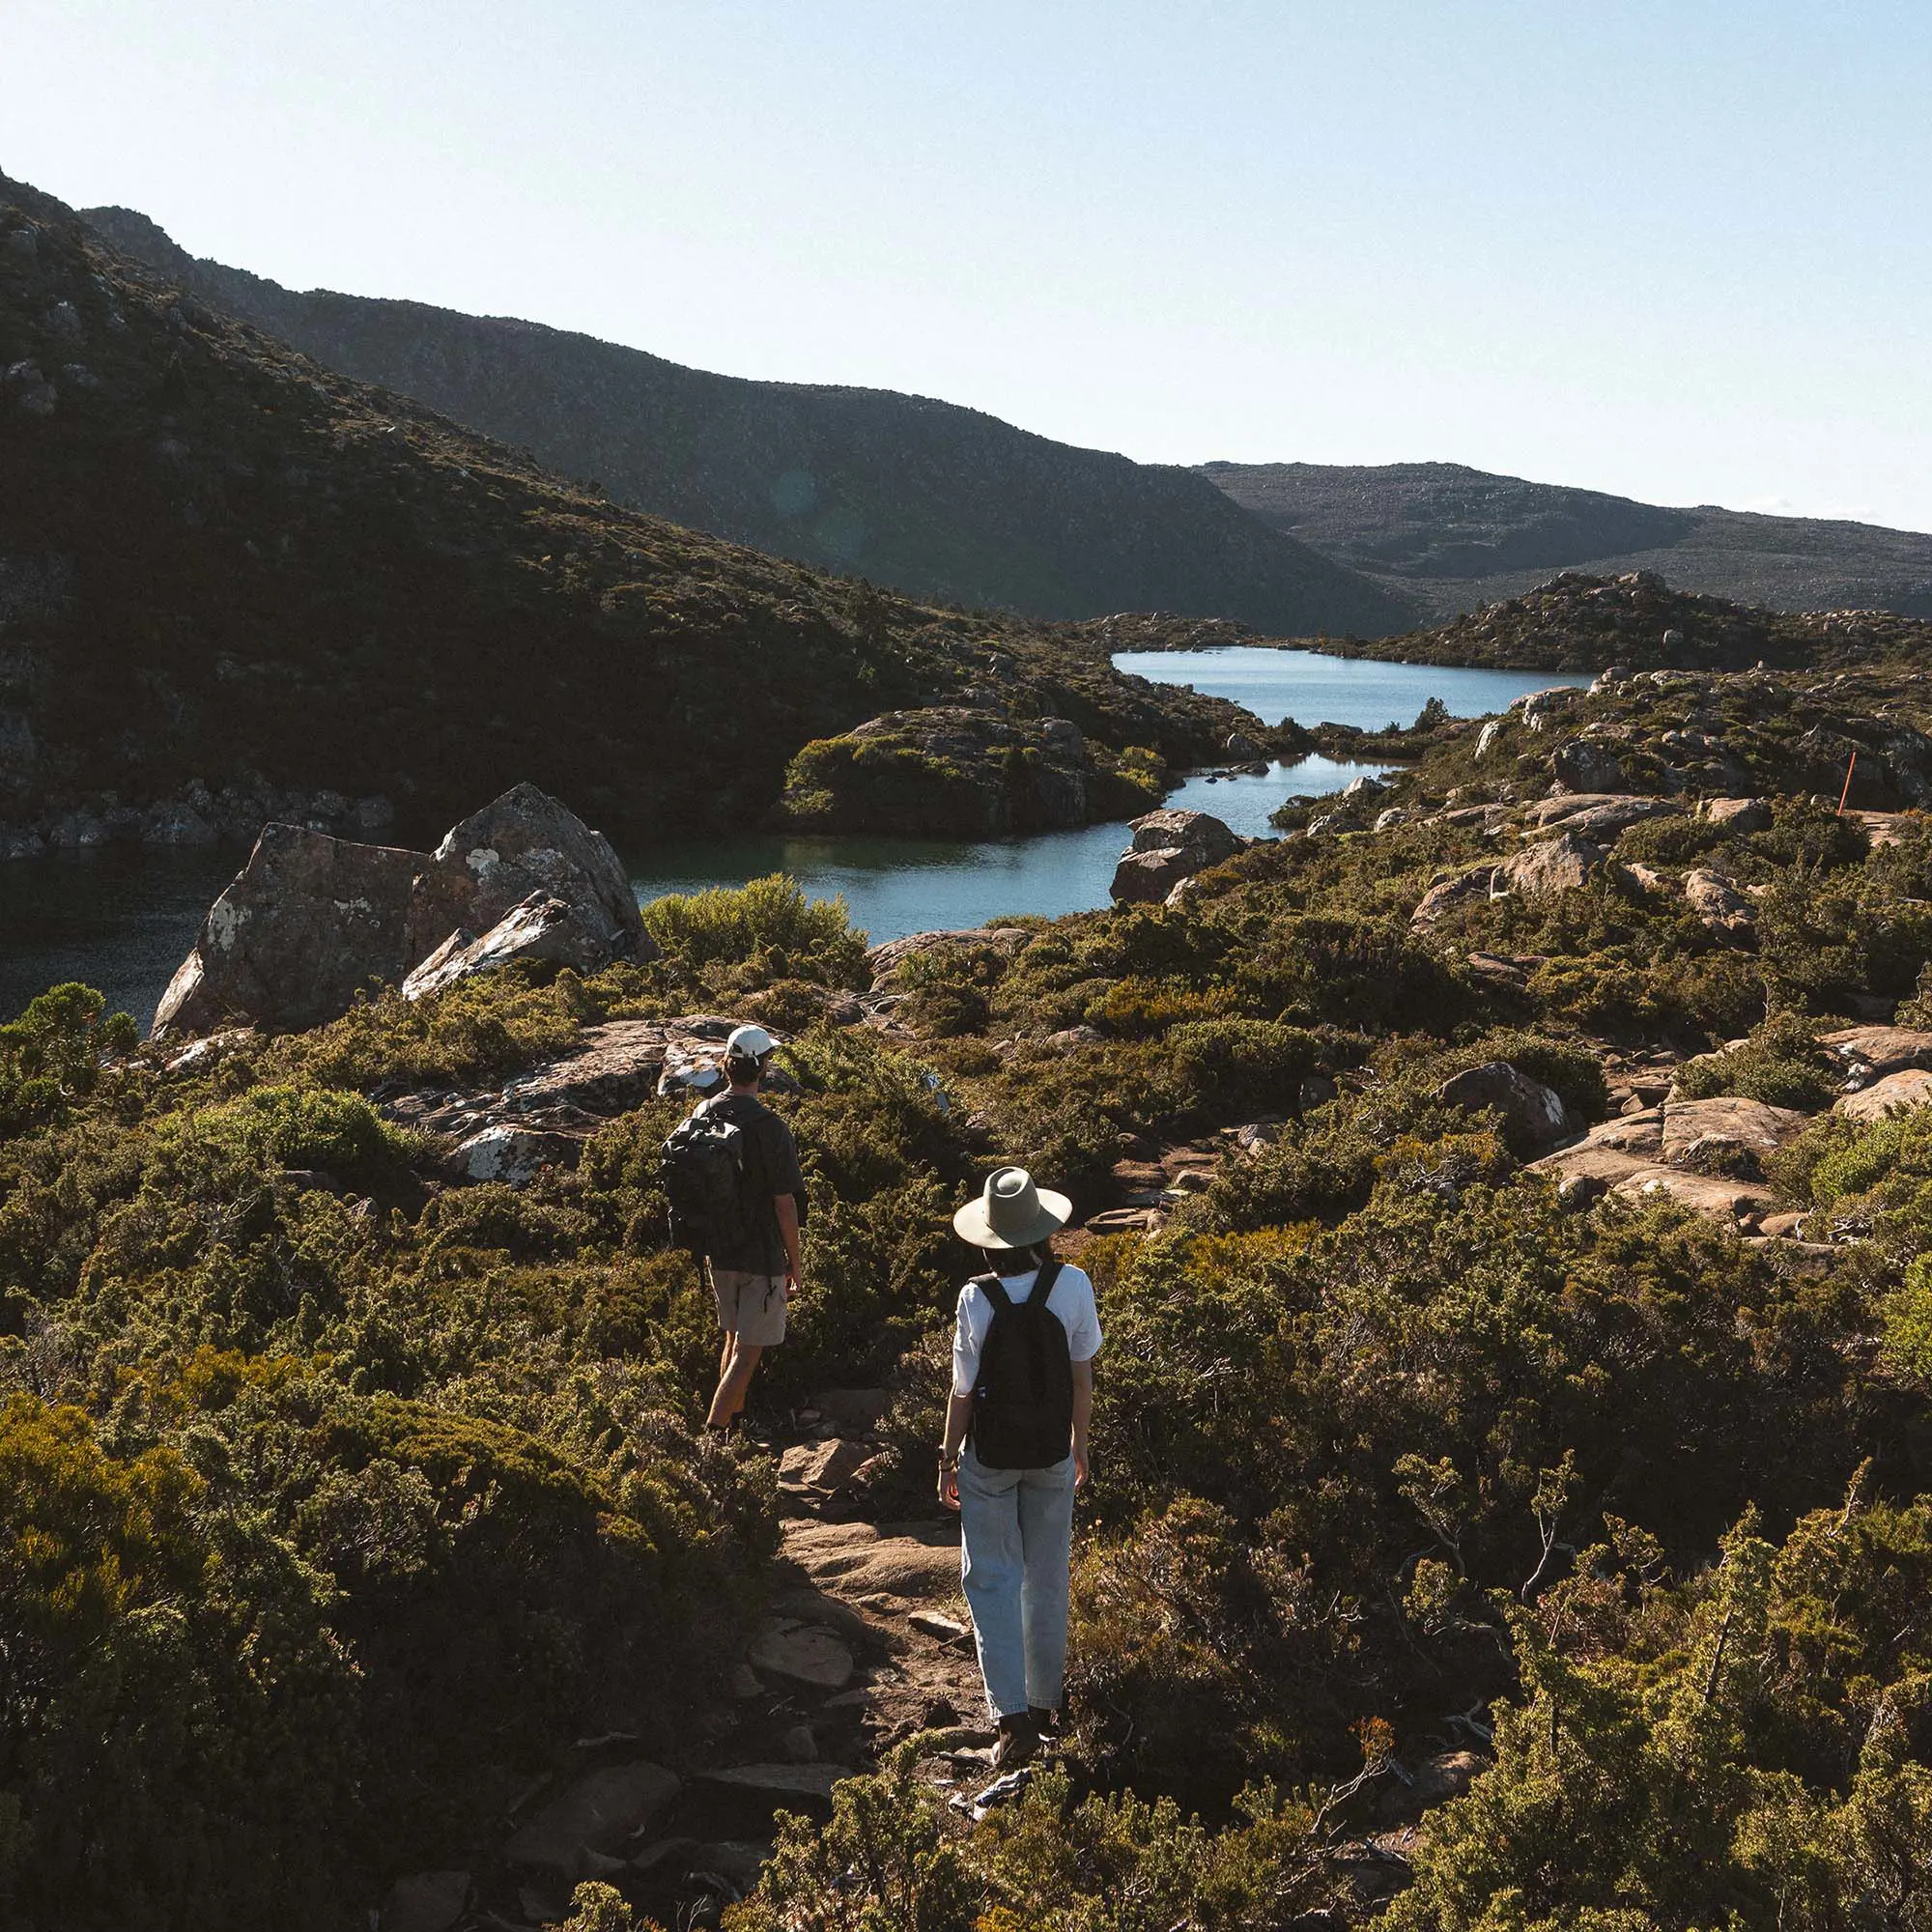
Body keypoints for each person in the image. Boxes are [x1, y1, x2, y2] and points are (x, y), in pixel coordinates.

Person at [938, 1165, 1101, 1772]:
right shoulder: (1074, 1285)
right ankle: (1044, 1704)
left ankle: (1008, 1717)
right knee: (1048, 1572)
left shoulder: (975, 1298)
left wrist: (947, 1455)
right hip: (1053, 1454)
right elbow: (1082, 1375)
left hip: (990, 1457)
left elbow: (962, 1390)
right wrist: (1079, 1444)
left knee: (991, 1578)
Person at [696, 1023, 807, 1435]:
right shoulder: (770, 1127)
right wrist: (794, 1263)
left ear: (727, 1067)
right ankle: (711, 1441)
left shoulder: (703, 1114)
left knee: (732, 1339)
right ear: (762, 1068)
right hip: (759, 1254)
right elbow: (785, 1203)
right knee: (748, 1351)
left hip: (718, 1250)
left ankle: (732, 1431)